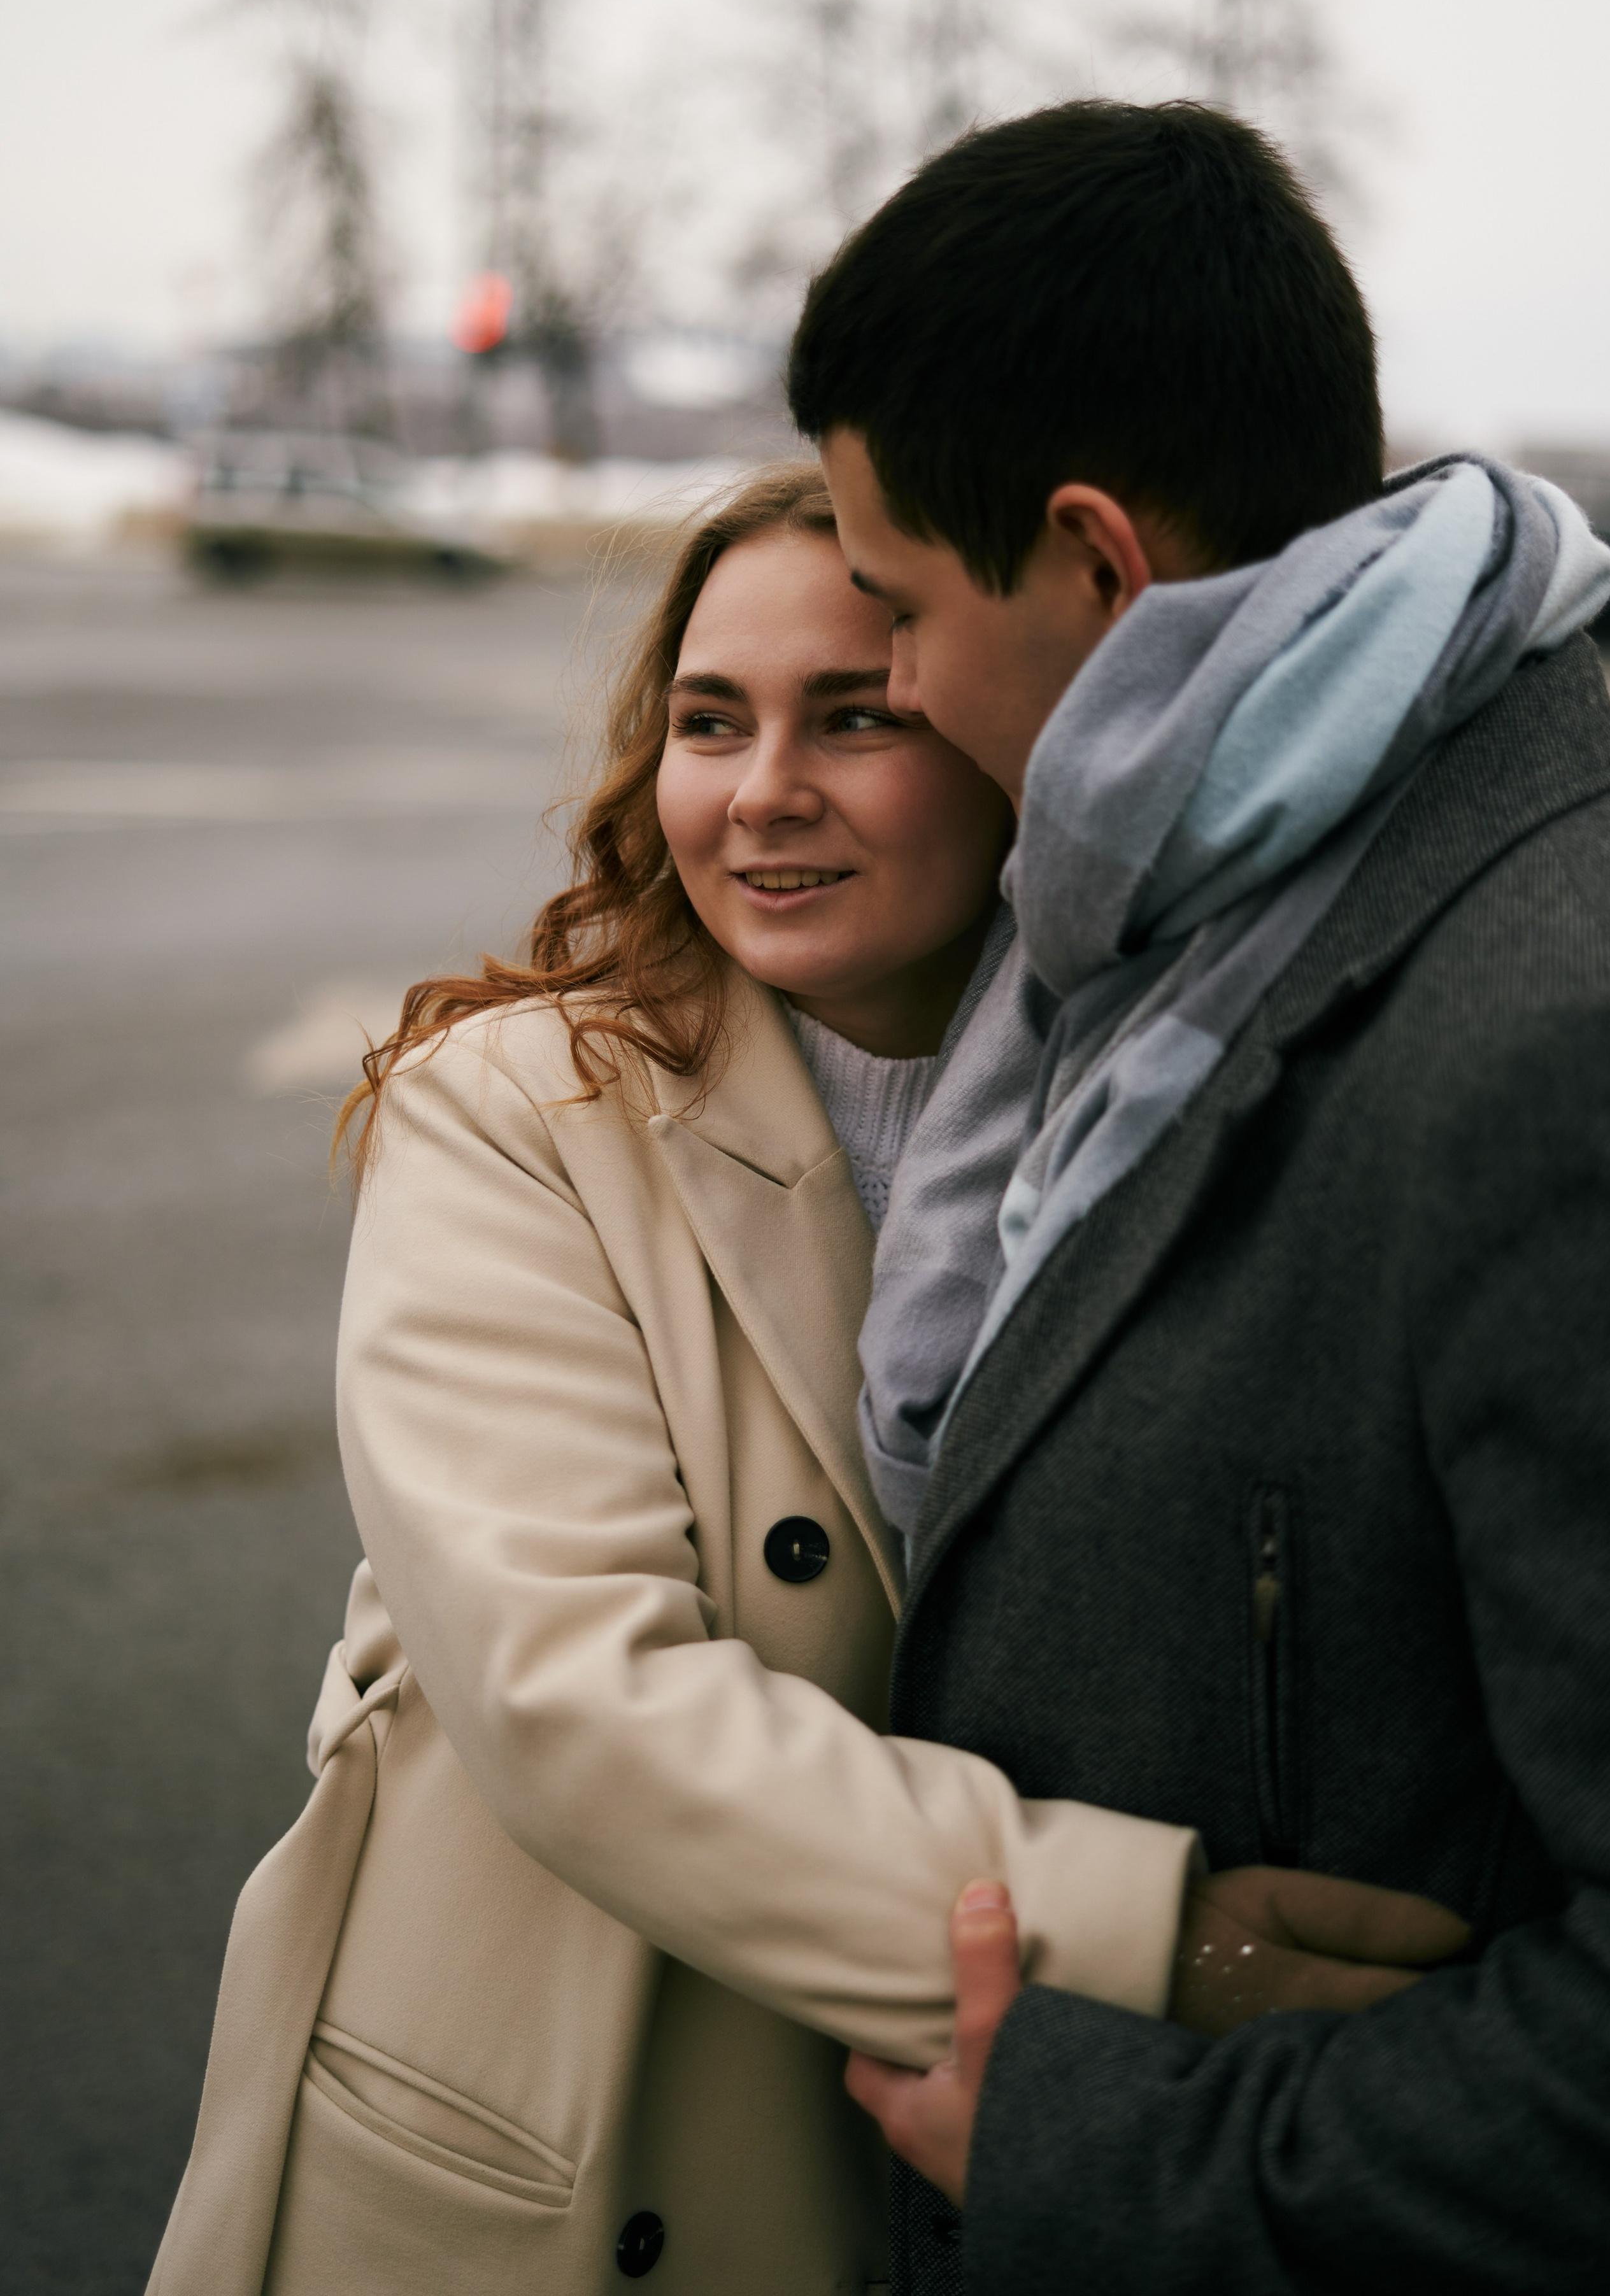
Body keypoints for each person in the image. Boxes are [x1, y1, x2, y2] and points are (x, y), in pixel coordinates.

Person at [146, 465, 1450, 2296]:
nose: (763, 792)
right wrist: (1157, 1948)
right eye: (707, 722)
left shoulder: (1162, 1116)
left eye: (858, 715)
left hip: (977, 2172)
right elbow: (583, 1700)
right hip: (558, 2165)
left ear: (1020, 747)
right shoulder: (521, 1115)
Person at [787, 100, 1610, 2292]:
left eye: (895, 604)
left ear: (1094, 563)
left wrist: (1103, 2145)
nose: (883, 683)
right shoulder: (1176, 917)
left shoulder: (1557, 1038)